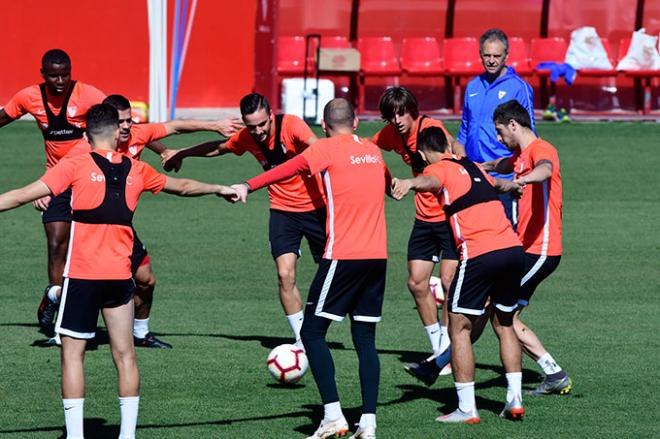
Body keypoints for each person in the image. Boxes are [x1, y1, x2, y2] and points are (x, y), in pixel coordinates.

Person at [0, 104, 237, 439]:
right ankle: (127, 435)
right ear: (115, 133)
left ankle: (76, 435)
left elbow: (23, 195)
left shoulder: (75, 164)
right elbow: (182, 186)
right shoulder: (137, 169)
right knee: (125, 356)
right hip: (118, 279)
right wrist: (219, 188)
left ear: (85, 135)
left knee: (72, 356)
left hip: (82, 277)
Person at [231, 98, 390, 439]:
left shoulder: (326, 150)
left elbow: (286, 169)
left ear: (323, 124)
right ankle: (369, 423)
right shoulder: (374, 152)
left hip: (343, 256)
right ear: (357, 121)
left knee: (312, 333)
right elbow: (391, 183)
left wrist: (247, 185)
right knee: (365, 340)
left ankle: (333, 415)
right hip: (378, 258)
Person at [37, 93, 242, 348]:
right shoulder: (84, 149)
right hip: (76, 202)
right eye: (120, 122)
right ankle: (62, 331)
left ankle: (139, 333)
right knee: (73, 264)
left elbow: (175, 126)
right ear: (110, 125)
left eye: (129, 121)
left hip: (116, 218)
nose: (125, 126)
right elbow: (59, 174)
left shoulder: (136, 136)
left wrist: (215, 125)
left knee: (146, 279)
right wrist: (45, 192)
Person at [162, 93, 324, 347]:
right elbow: (220, 147)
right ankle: (302, 339)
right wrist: (183, 153)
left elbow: (318, 147)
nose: (258, 131)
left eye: (262, 124)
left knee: (332, 273)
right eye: (251, 126)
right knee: (284, 275)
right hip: (282, 211)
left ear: (271, 115)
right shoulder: (249, 137)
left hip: (318, 208)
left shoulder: (292, 125)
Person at [392, 126, 526, 424]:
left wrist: (409, 183)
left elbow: (430, 179)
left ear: (426, 153)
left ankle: (467, 408)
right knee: (505, 324)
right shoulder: (473, 165)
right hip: (513, 250)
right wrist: (513, 186)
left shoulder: (440, 168)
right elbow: (498, 185)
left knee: (459, 327)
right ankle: (514, 401)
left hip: (481, 254)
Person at [0, 49, 105, 328]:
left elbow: (123, 120)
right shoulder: (28, 97)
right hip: (56, 181)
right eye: (54, 75)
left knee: (86, 247)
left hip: (89, 179)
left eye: (65, 74)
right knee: (57, 242)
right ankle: (55, 299)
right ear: (42, 74)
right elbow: (3, 117)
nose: (60, 80)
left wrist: (163, 148)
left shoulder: (88, 94)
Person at [372, 87, 463, 380]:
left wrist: (463, 169)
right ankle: (439, 346)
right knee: (416, 283)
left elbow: (455, 149)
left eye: (402, 113)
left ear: (412, 110)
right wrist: (387, 180)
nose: (397, 120)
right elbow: (369, 150)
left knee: (449, 282)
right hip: (424, 219)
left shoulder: (430, 129)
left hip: (449, 218)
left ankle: (450, 348)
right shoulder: (390, 135)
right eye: (391, 115)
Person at [481, 100, 571, 395]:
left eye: (499, 132)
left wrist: (520, 181)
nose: (498, 139)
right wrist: (481, 168)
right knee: (503, 315)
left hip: (541, 249)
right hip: (527, 248)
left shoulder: (542, 151)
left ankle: (446, 362)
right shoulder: (520, 155)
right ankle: (554, 374)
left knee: (500, 311)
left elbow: (544, 170)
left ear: (513, 126)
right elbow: (502, 164)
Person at [452, 28, 535, 226]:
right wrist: (462, 163)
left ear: (506, 56)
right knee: (475, 234)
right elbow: (464, 130)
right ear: (480, 55)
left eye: (496, 56)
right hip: (475, 176)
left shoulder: (518, 87)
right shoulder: (472, 86)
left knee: (508, 234)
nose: (491, 60)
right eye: (486, 55)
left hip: (504, 176)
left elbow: (529, 134)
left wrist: (522, 172)